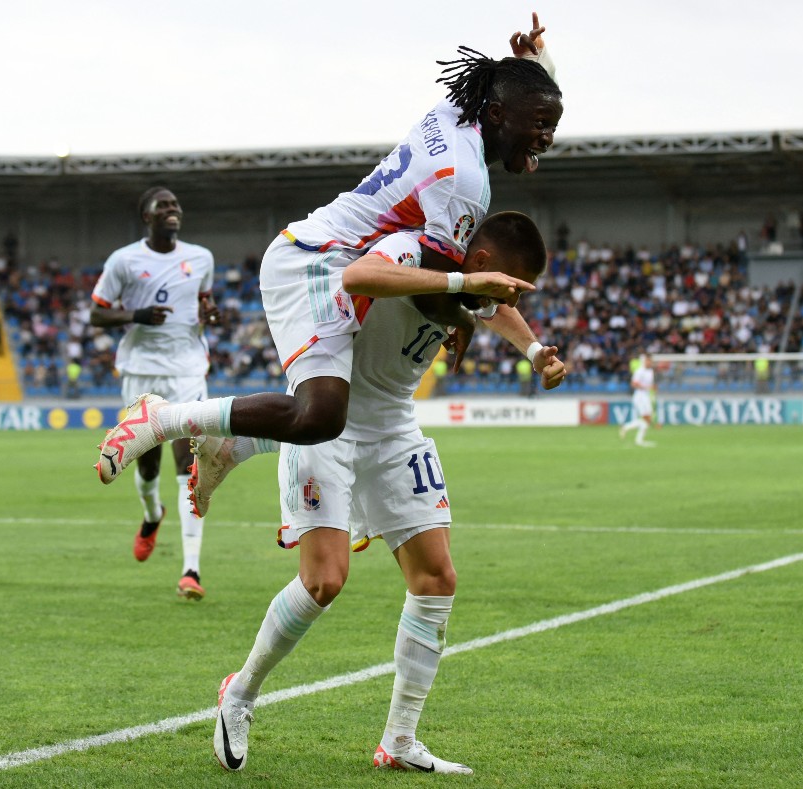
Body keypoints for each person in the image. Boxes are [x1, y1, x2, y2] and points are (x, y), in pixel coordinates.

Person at [94, 14, 562, 491]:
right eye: (542, 126)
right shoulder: (463, 182)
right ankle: (163, 419)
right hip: (320, 262)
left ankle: (234, 445)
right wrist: (462, 321)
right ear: (500, 114)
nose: (548, 138)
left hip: (337, 257)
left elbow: (516, 96)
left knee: (352, 411)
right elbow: (439, 294)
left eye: (553, 127)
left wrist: (533, 63)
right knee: (322, 417)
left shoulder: (456, 112)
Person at [209, 213, 566, 775]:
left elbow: (496, 308)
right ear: (479, 263)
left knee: (437, 579)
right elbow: (359, 274)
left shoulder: (477, 284)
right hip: (332, 423)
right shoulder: (407, 250)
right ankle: (241, 690)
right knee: (323, 581)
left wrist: (534, 350)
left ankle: (399, 741)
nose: (509, 295)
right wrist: (465, 290)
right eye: (508, 281)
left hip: (396, 431)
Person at [90, 186, 222, 600]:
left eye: (175, 205)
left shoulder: (201, 257)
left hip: (186, 371)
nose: (172, 210)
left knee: (188, 463)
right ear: (146, 217)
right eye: (162, 206)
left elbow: (203, 300)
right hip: (140, 371)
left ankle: (191, 570)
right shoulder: (124, 260)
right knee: (147, 467)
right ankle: (152, 515)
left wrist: (210, 311)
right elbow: (97, 312)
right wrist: (136, 315)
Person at [619, 352, 658, 447]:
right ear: (645, 361)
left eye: (651, 361)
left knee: (648, 419)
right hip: (639, 396)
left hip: (646, 396)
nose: (650, 362)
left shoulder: (650, 371)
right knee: (646, 418)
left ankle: (629, 430)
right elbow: (633, 384)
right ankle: (637, 438)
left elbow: (649, 385)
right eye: (648, 360)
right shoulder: (639, 371)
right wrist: (647, 387)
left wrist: (652, 388)